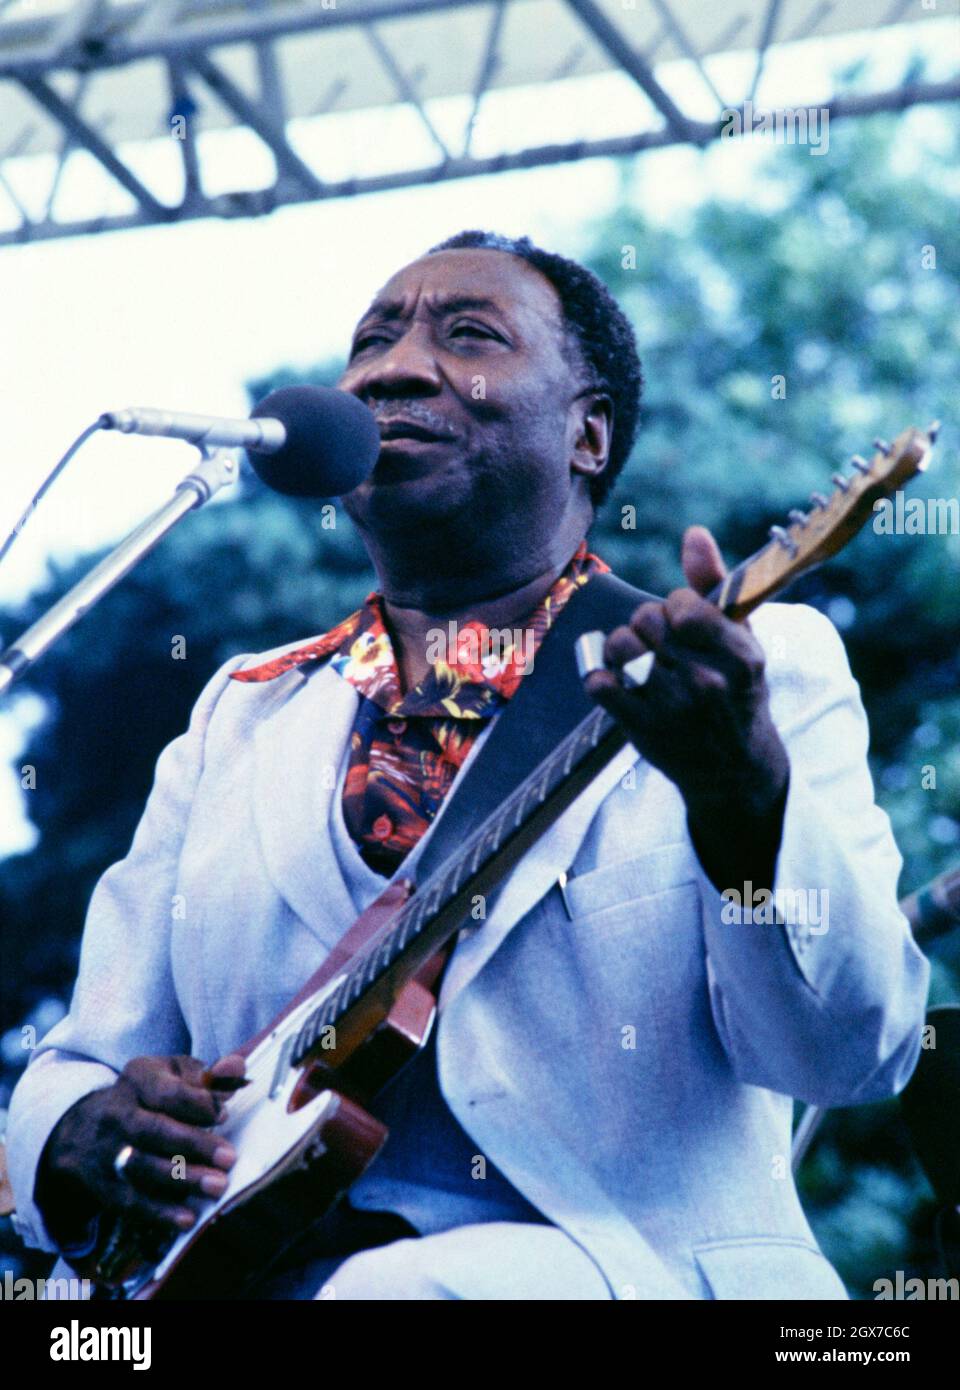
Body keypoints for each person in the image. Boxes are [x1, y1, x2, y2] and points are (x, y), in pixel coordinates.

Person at [6, 230, 929, 1300]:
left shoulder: (758, 669)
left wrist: (741, 792)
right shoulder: (242, 714)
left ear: (588, 433)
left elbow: (852, 1051)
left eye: (470, 335)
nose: (392, 366)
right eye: (373, 341)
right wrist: (77, 1133)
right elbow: (83, 1057)